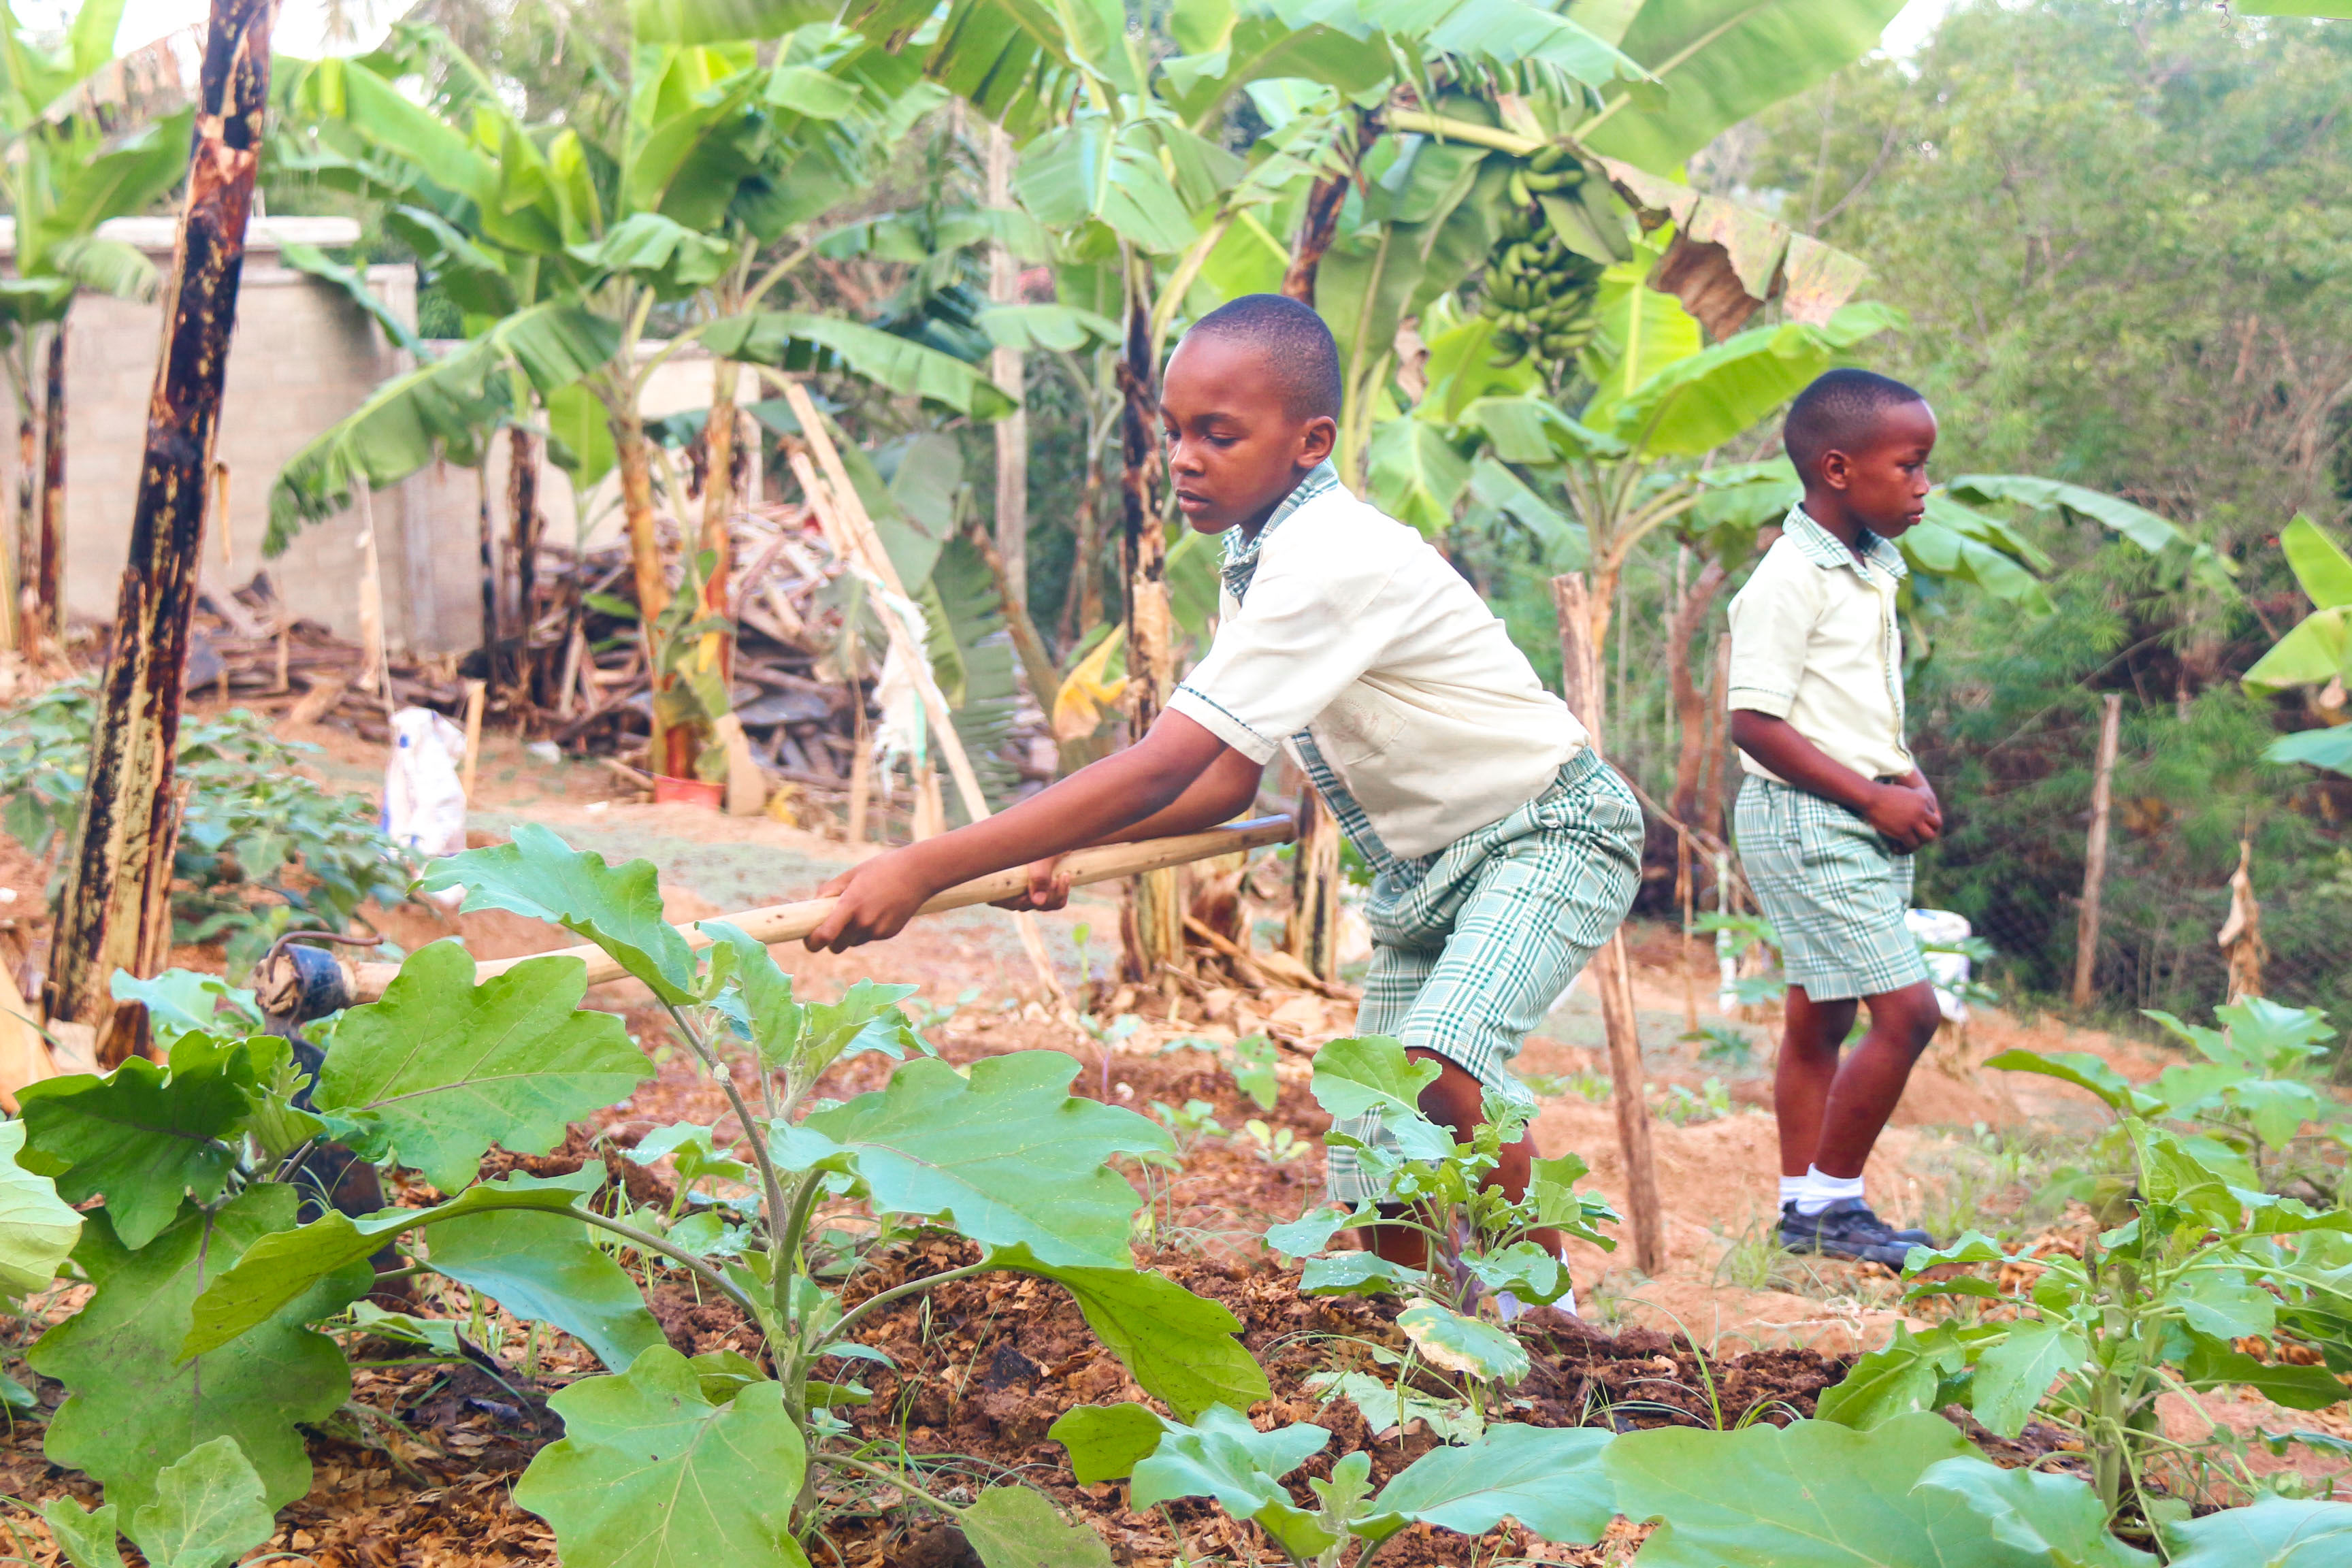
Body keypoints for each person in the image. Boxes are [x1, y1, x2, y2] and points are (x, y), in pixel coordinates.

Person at [802, 293, 1642, 1269]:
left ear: (1310, 441)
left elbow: (1162, 763)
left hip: (1548, 833)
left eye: (1219, 434)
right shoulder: (1263, 562)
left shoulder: (1331, 559)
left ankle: (1550, 1318)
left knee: (1439, 1064)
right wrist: (1084, 851)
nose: (1185, 459)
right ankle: (1413, 1330)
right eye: (1172, 433)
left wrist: (923, 866)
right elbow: (1223, 784)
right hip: (1427, 871)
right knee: (1378, 1119)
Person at [1726, 368, 1947, 1268]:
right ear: (1839, 468)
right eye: (1911, 465)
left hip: (1852, 812)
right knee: (1910, 1013)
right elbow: (1755, 722)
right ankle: (1832, 1204)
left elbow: (1851, 710)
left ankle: (1802, 1210)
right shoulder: (1788, 579)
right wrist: (1870, 796)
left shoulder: (1865, 569)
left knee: (1820, 1020)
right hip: (1810, 819)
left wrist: (1909, 778)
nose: (1925, 485)